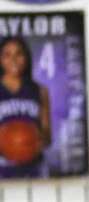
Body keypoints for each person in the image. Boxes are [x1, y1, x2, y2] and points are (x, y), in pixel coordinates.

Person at [0, 36, 50, 180]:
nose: (13, 60)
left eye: (19, 54)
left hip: (34, 167)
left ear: (26, 58)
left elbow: (47, 134)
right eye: (7, 55)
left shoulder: (40, 90)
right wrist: (7, 141)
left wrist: (37, 140)